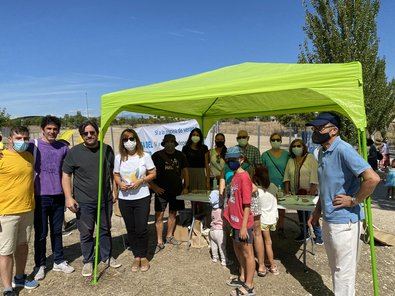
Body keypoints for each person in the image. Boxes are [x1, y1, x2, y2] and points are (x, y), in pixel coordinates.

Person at [307, 112, 380, 296]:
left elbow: (372, 179)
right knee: (336, 268)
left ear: (334, 130)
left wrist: (354, 200)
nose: (316, 131)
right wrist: (317, 211)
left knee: (343, 273)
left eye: (320, 127)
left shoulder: (343, 149)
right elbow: (326, 187)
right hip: (329, 219)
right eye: (314, 127)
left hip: (346, 222)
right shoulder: (323, 151)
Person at [62, 121, 121, 277]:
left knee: (104, 229)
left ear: (97, 132)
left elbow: (113, 172)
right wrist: (69, 197)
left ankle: (107, 257)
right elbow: (66, 175)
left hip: (105, 199)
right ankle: (88, 261)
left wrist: (115, 191)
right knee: (86, 232)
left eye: (92, 132)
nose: (89, 135)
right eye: (85, 133)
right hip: (83, 202)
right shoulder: (74, 152)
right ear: (82, 135)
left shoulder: (107, 150)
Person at [31, 116, 74, 281]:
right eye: (49, 128)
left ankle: (59, 260)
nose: (52, 131)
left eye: (55, 129)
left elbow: (70, 167)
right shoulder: (32, 145)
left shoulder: (63, 147)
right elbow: (14, 150)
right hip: (39, 197)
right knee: (41, 233)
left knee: (57, 231)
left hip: (58, 196)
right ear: (43, 129)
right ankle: (40, 264)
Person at [0, 126, 38, 295]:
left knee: (22, 246)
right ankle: (8, 288)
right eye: (18, 138)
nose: (22, 142)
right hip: (6, 212)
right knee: (6, 251)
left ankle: (20, 276)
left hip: (28, 209)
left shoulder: (29, 156)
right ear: (10, 139)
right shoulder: (2, 157)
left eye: (25, 138)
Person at [113, 128, 156, 272]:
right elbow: (116, 174)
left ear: (136, 140)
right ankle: (136, 256)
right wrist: (119, 184)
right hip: (125, 198)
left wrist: (141, 180)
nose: (129, 142)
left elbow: (153, 173)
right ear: (122, 142)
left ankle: (143, 256)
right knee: (130, 228)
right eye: (125, 139)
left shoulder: (145, 156)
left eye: (131, 139)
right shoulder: (119, 157)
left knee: (141, 228)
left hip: (142, 197)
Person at [223, 146, 255, 296]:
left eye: (233, 159)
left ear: (241, 159)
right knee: (237, 248)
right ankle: (243, 277)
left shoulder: (244, 177)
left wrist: (243, 227)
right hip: (234, 221)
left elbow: (247, 204)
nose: (230, 162)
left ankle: (249, 286)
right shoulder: (235, 175)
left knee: (248, 252)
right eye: (228, 160)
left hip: (243, 223)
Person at [150, 134, 189, 254]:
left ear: (175, 143)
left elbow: (185, 172)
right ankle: (159, 242)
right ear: (164, 143)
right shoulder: (156, 156)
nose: (170, 143)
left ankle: (169, 236)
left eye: (172, 141)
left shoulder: (181, 155)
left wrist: (185, 187)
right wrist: (154, 187)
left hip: (176, 190)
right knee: (159, 216)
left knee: (173, 214)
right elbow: (148, 172)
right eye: (167, 141)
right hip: (161, 191)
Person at [283, 139, 323, 245]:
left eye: (298, 146)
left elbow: (314, 176)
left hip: (309, 193)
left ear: (303, 147)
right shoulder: (291, 160)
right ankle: (304, 233)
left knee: (311, 215)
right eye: (294, 146)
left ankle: (319, 235)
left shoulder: (310, 158)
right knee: (301, 214)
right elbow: (287, 176)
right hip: (296, 194)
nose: (296, 148)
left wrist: (312, 192)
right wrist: (287, 191)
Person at [261, 132, 289, 236]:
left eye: (278, 140)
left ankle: (281, 227)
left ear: (281, 141)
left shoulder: (287, 154)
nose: (275, 141)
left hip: (282, 184)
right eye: (273, 140)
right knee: (268, 207)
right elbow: (262, 171)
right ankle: (268, 228)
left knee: (281, 207)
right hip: (268, 186)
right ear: (270, 141)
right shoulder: (265, 155)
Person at [253, 166, 279, 276]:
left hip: (262, 219)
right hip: (272, 218)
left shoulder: (257, 190)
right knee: (268, 242)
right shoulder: (273, 186)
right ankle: (270, 262)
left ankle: (272, 265)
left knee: (266, 243)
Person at [208, 190, 228, 266]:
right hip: (219, 231)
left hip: (212, 230)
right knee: (222, 247)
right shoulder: (221, 210)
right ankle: (224, 260)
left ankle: (215, 258)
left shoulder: (213, 210)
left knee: (214, 246)